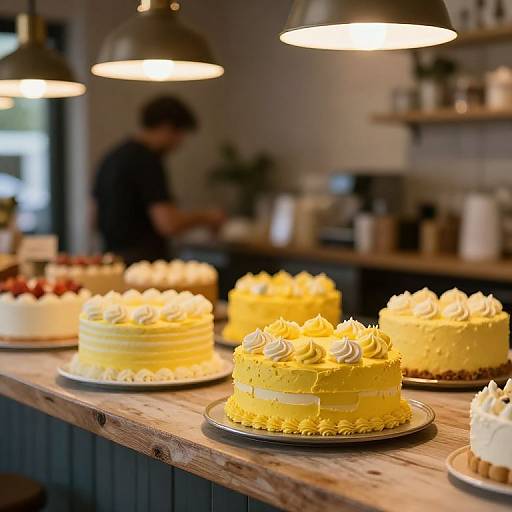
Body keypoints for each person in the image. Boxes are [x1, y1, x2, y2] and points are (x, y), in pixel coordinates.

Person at [92, 96, 224, 263]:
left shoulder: (111, 157)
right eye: (180, 134)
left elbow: (93, 218)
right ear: (167, 127)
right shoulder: (147, 160)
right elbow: (168, 223)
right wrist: (207, 217)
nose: (180, 143)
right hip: (145, 265)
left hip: (111, 259)